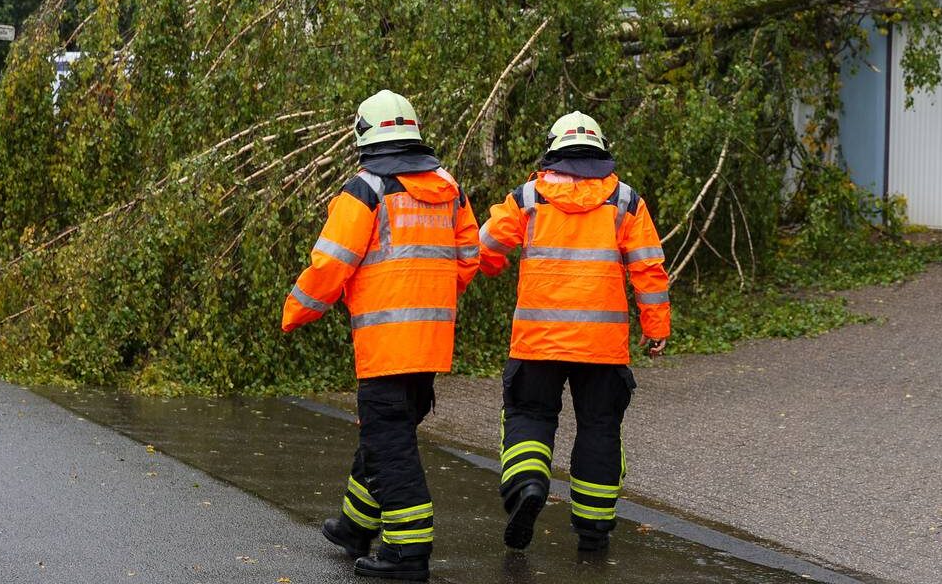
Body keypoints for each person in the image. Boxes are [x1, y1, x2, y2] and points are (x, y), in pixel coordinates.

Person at [281, 90, 480, 582]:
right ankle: (354, 526)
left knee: (389, 444)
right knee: (384, 434)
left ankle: (407, 553)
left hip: (385, 344)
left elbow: (330, 264)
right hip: (431, 341)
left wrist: (295, 311)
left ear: (364, 136)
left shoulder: (365, 189)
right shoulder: (449, 187)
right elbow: (469, 256)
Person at [477, 111, 671, 553]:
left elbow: (485, 245)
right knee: (599, 426)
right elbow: (648, 268)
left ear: (552, 151)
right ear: (601, 152)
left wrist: (493, 265)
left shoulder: (527, 198)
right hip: (602, 349)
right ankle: (593, 530)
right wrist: (655, 326)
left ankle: (528, 486)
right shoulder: (625, 201)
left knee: (530, 415)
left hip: (537, 342)